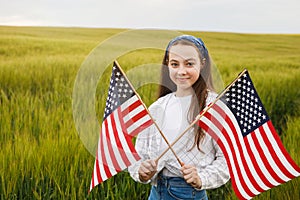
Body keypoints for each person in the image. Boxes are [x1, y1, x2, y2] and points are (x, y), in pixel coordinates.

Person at [128, 35, 230, 200]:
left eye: (189, 64)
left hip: (188, 194)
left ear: (202, 64)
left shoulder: (214, 106)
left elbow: (226, 160)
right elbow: (140, 154)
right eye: (175, 64)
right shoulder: (159, 106)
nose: (181, 71)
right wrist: (142, 171)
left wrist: (200, 178)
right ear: (167, 65)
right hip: (156, 193)